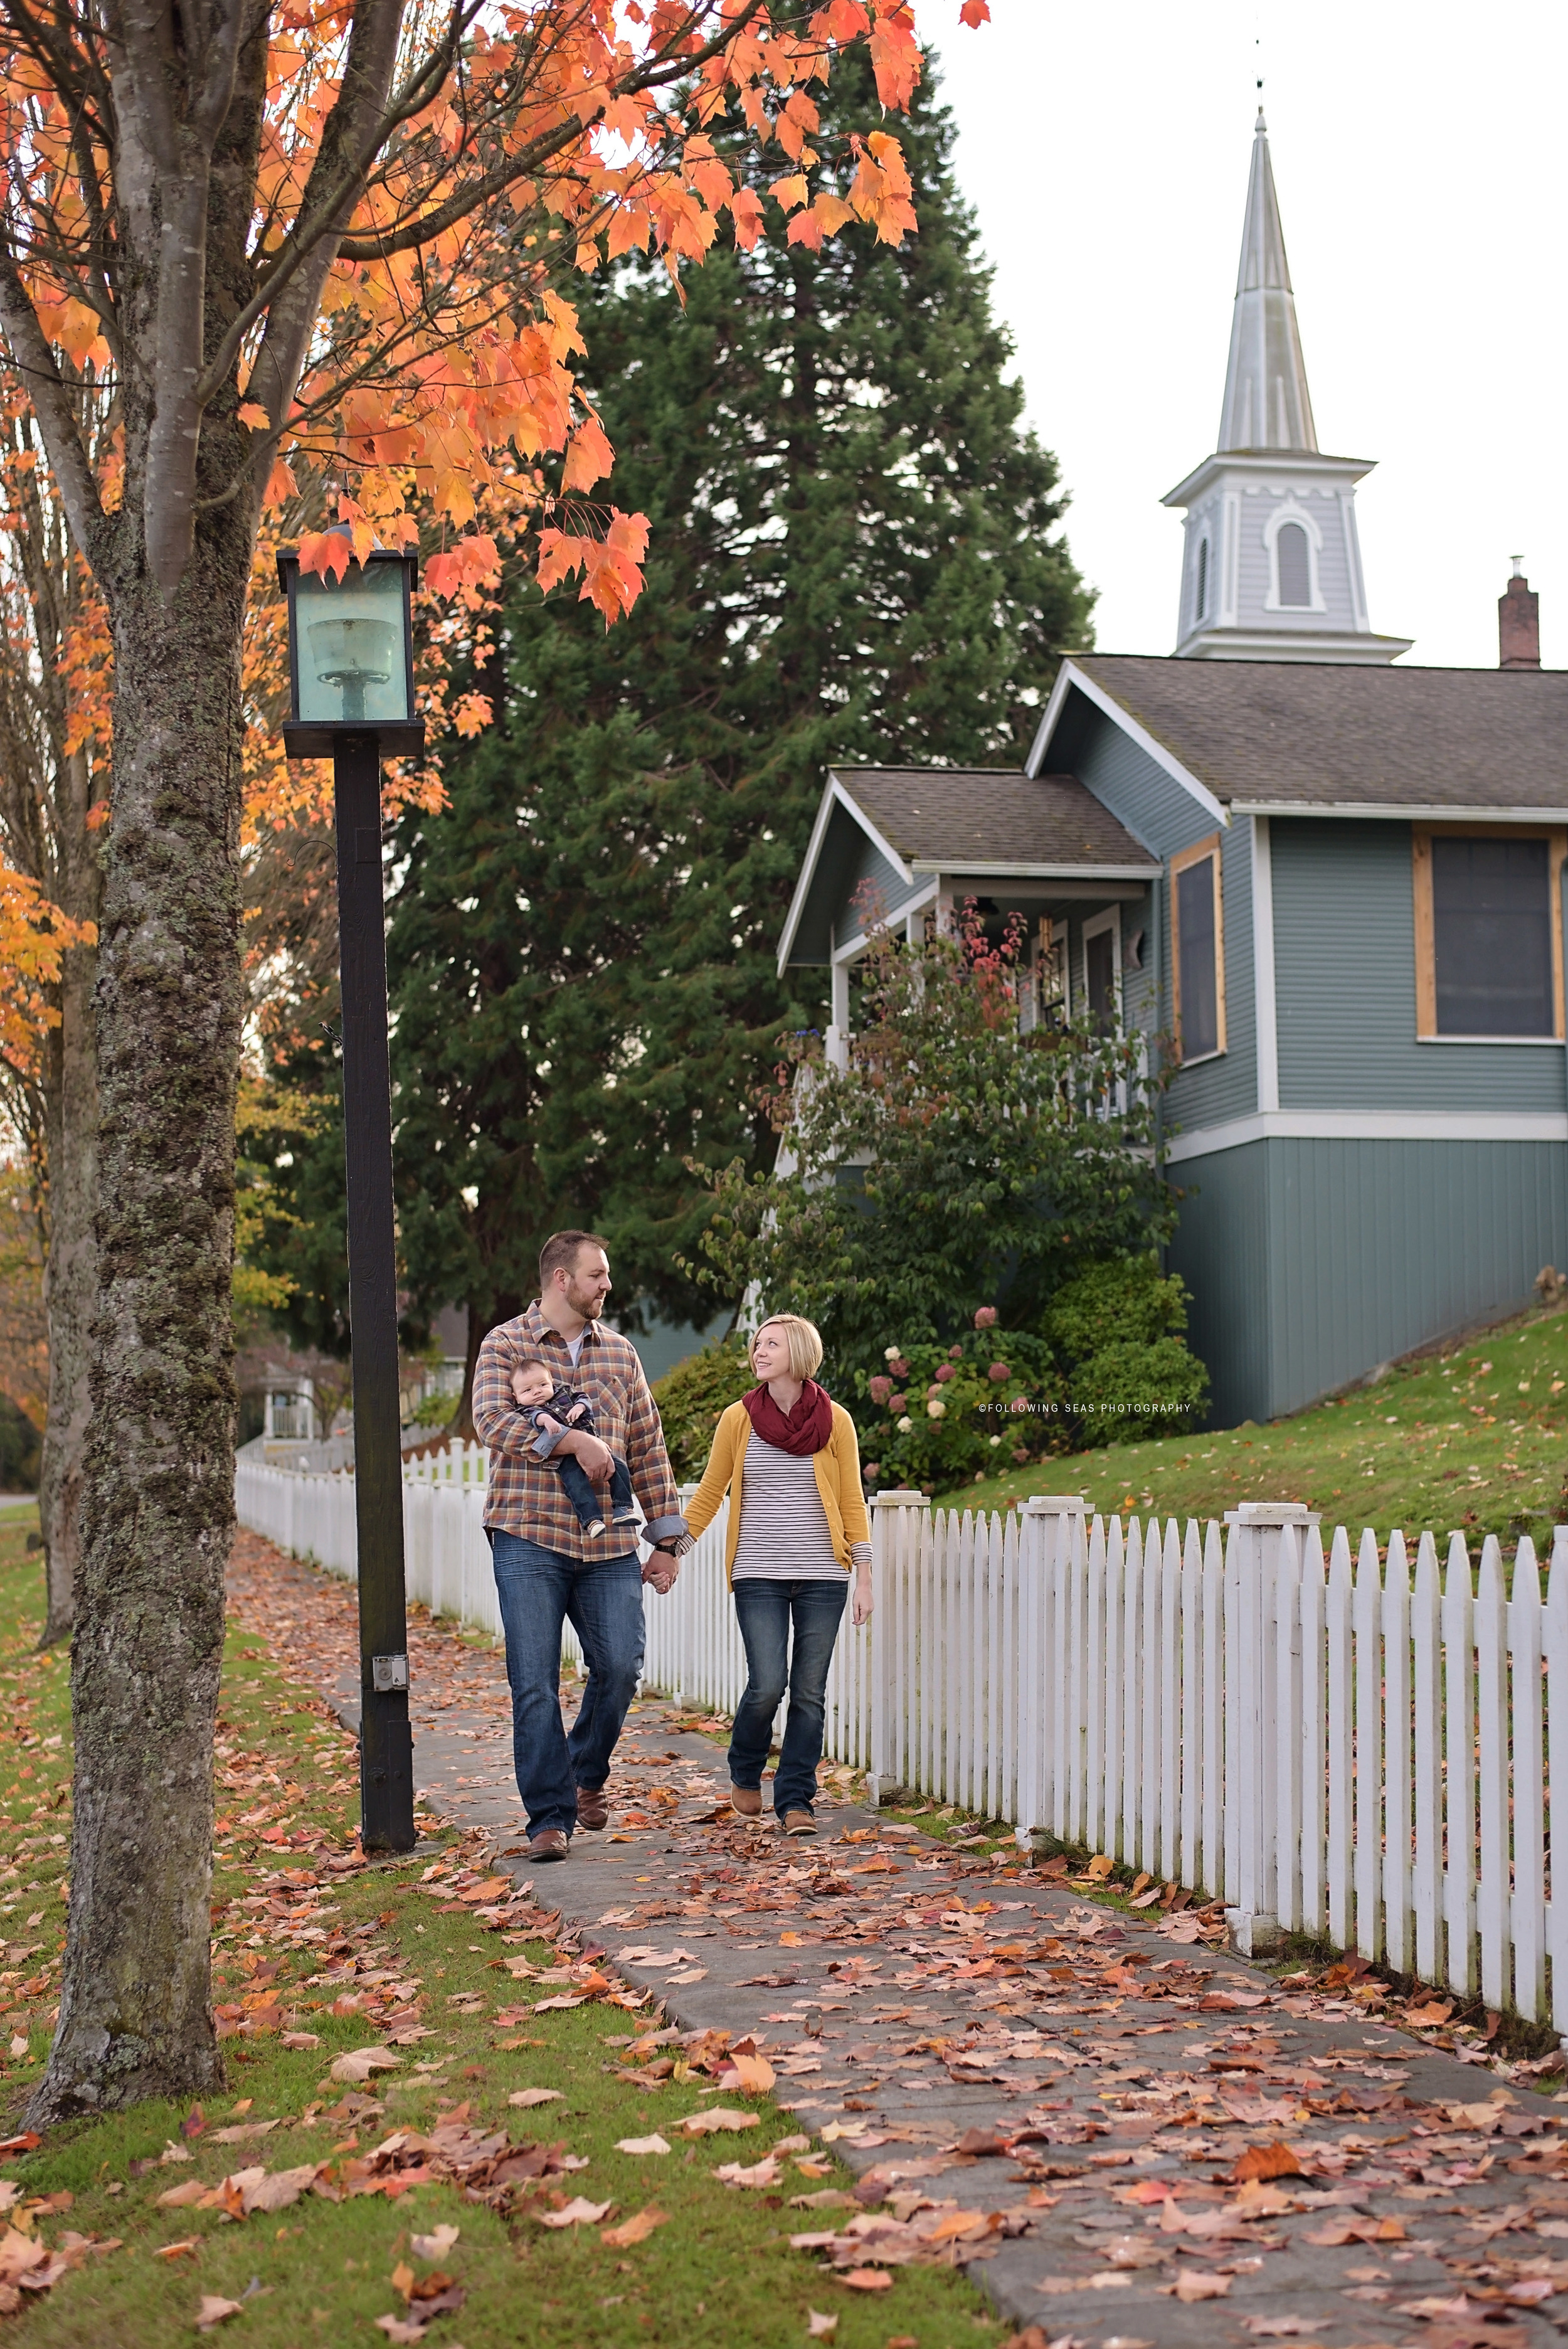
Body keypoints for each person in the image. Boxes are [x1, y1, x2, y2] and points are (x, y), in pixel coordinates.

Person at [472, 1231, 688, 1864]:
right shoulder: (505, 1344)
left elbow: (648, 1446)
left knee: (620, 1665)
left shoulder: (620, 1355)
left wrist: (668, 1539)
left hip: (610, 1545)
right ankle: (549, 1816)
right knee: (533, 1681)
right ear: (562, 1280)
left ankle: (584, 1772)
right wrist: (572, 1443)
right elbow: (491, 1420)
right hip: (528, 1536)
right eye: (597, 1274)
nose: (606, 1285)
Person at [685, 1313, 871, 1836]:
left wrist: (865, 1573)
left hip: (823, 1575)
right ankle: (745, 1768)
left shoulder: (836, 1421)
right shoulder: (737, 1419)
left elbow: (853, 1501)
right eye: (757, 1343)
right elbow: (709, 1493)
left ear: (799, 1352)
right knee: (768, 1684)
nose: (759, 1351)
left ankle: (796, 1802)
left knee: (809, 1692)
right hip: (758, 1571)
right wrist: (674, 1549)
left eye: (772, 1342)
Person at [509, 1354, 637, 1539]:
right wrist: (547, 1420)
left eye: (542, 1385)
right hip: (566, 1457)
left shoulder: (564, 1392)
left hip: (596, 1445)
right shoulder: (526, 1408)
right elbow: (535, 1417)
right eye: (528, 1390)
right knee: (575, 1484)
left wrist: (580, 1407)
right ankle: (591, 1520)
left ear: (551, 1382)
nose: (537, 1392)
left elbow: (583, 1398)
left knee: (620, 1469)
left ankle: (624, 1507)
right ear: (517, 1396)